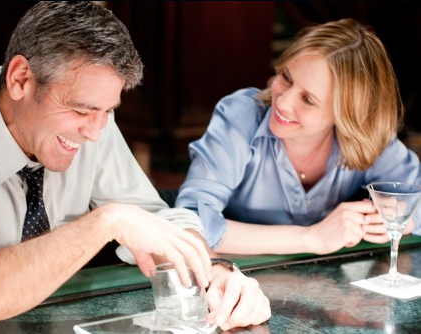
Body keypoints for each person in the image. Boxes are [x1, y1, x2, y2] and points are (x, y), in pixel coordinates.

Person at [0, 2, 270, 333]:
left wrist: (212, 272)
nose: (95, 132)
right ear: (20, 79)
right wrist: (105, 222)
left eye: (107, 111)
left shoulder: (92, 119)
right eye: (81, 110)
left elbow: (153, 220)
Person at [176, 18, 421, 255]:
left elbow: (415, 199)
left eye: (308, 100)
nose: (282, 101)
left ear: (347, 116)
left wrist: (403, 218)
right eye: (286, 78)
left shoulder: (367, 136)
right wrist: (313, 237)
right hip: (236, 279)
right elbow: (190, 223)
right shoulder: (241, 115)